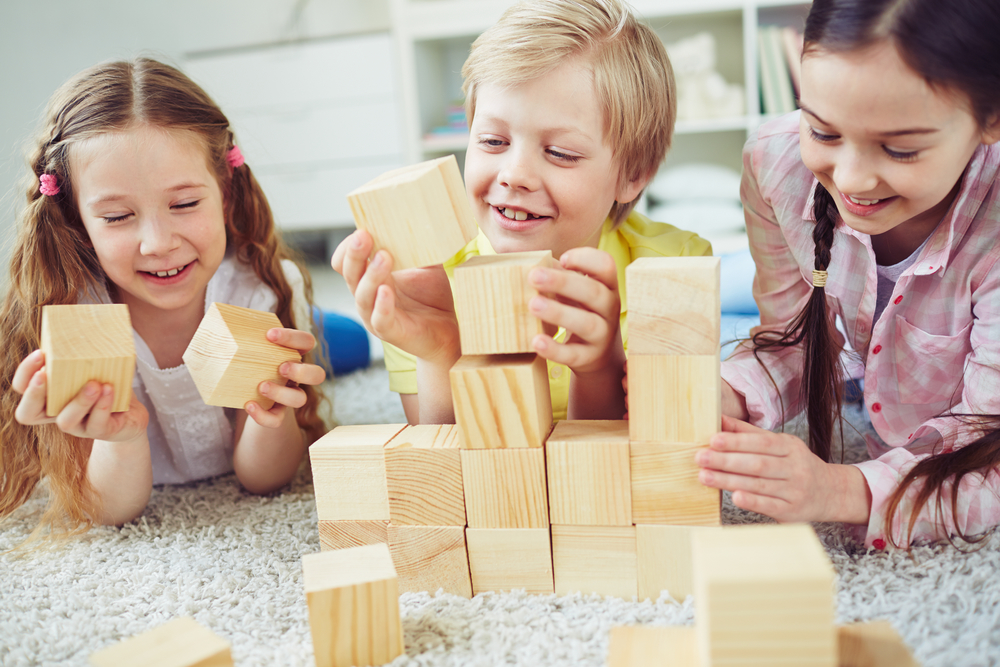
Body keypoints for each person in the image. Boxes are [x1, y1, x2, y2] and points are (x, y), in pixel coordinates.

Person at [699, 0, 1000, 548]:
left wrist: (840, 490)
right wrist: (726, 395)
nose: (854, 180)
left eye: (900, 149)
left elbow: (992, 451)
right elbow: (796, 338)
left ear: (991, 119)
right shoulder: (774, 161)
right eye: (823, 132)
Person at [333, 0, 710, 425]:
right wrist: (441, 350)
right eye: (493, 142)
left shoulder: (676, 272)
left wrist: (598, 368)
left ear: (633, 174)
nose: (514, 175)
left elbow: (646, 459)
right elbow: (446, 465)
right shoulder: (422, 278)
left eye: (560, 153)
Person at [0, 58, 328, 536]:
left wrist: (275, 414)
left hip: (253, 300)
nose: (158, 243)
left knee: (341, 340)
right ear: (77, 223)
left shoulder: (257, 289)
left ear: (226, 192)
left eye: (184, 204)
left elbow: (265, 479)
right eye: (116, 217)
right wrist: (123, 436)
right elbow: (110, 509)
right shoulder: (73, 313)